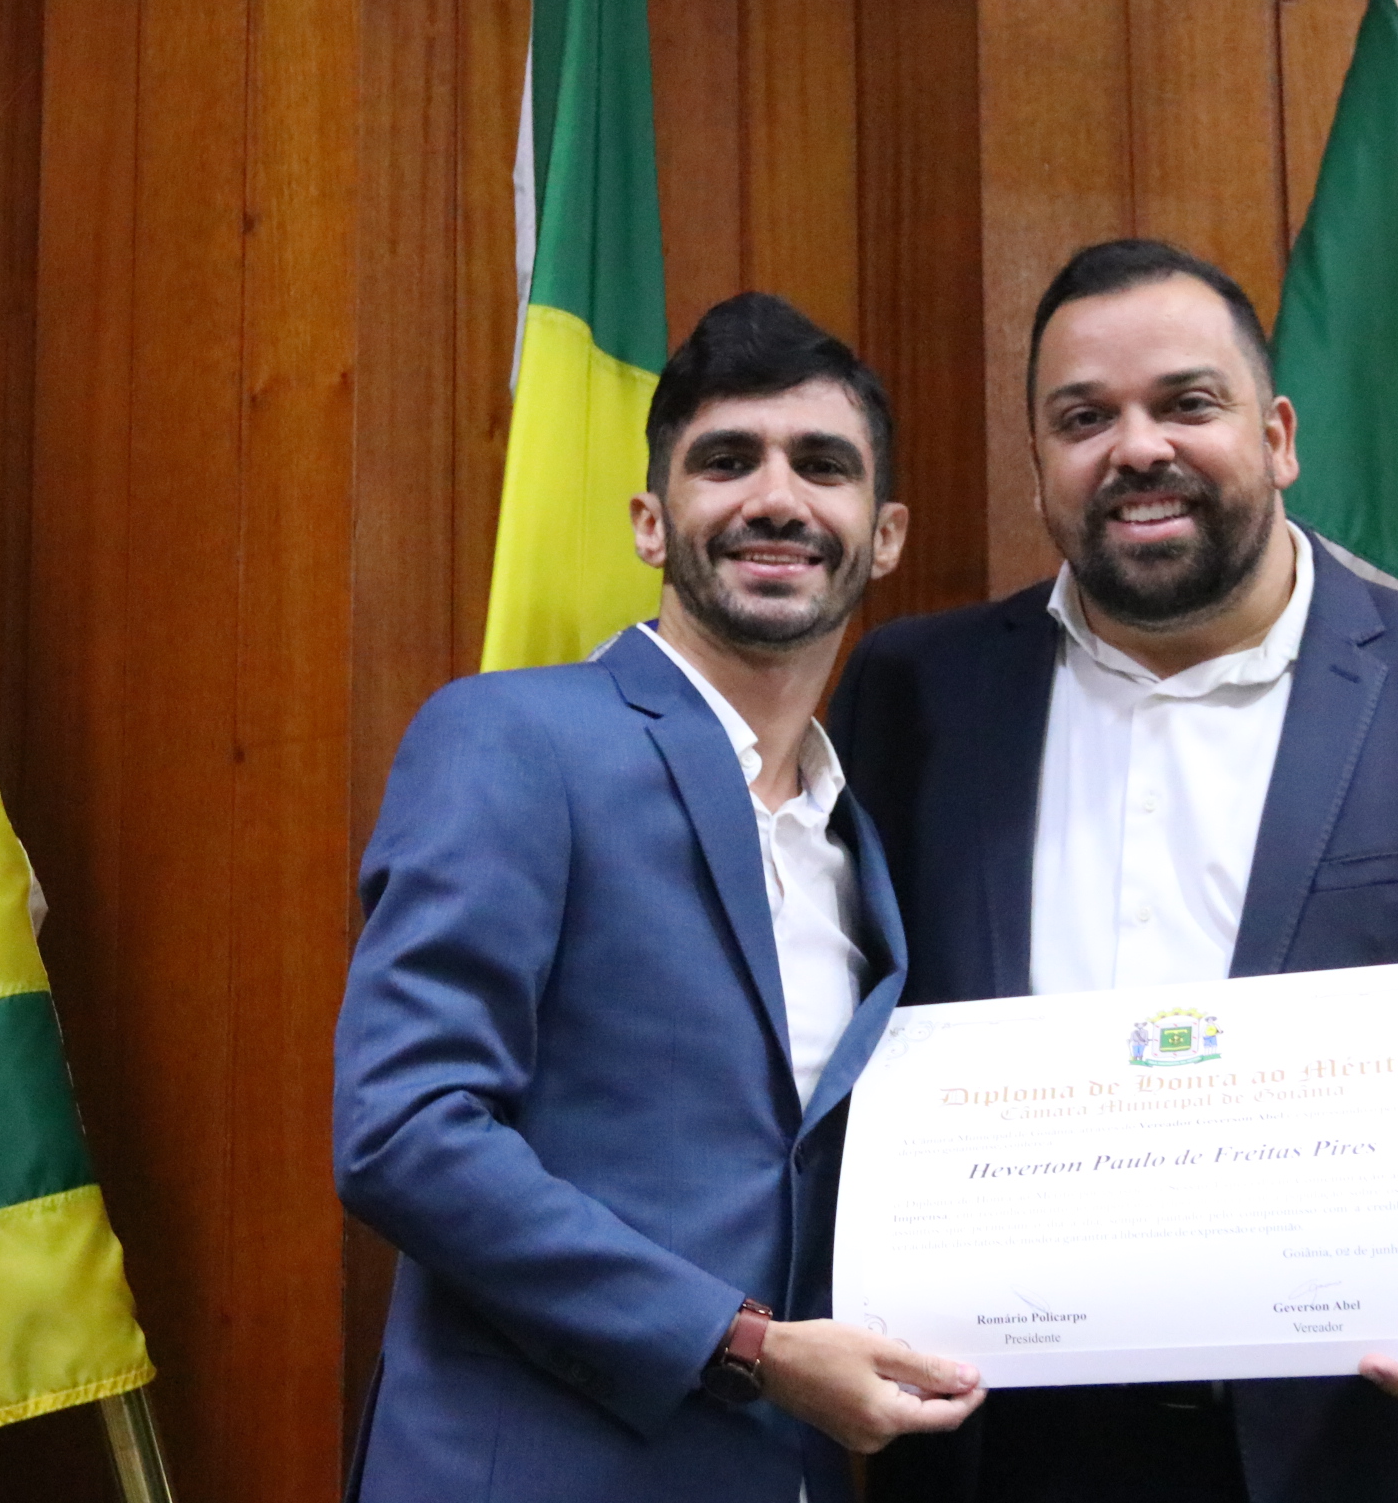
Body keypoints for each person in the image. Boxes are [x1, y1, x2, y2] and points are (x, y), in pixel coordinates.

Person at [832, 240, 1398, 1503]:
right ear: (1039, 462)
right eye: (1084, 418)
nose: (1137, 447)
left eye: (1186, 402)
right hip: (1000, 1447)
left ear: (1280, 436)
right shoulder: (916, 695)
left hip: (1377, 1439)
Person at [335, 293, 985, 1502]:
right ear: (650, 521)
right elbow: (404, 1130)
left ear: (885, 533)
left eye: (823, 466)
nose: (776, 499)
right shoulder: (511, 738)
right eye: (727, 461)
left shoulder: (857, 836)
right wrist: (747, 1346)